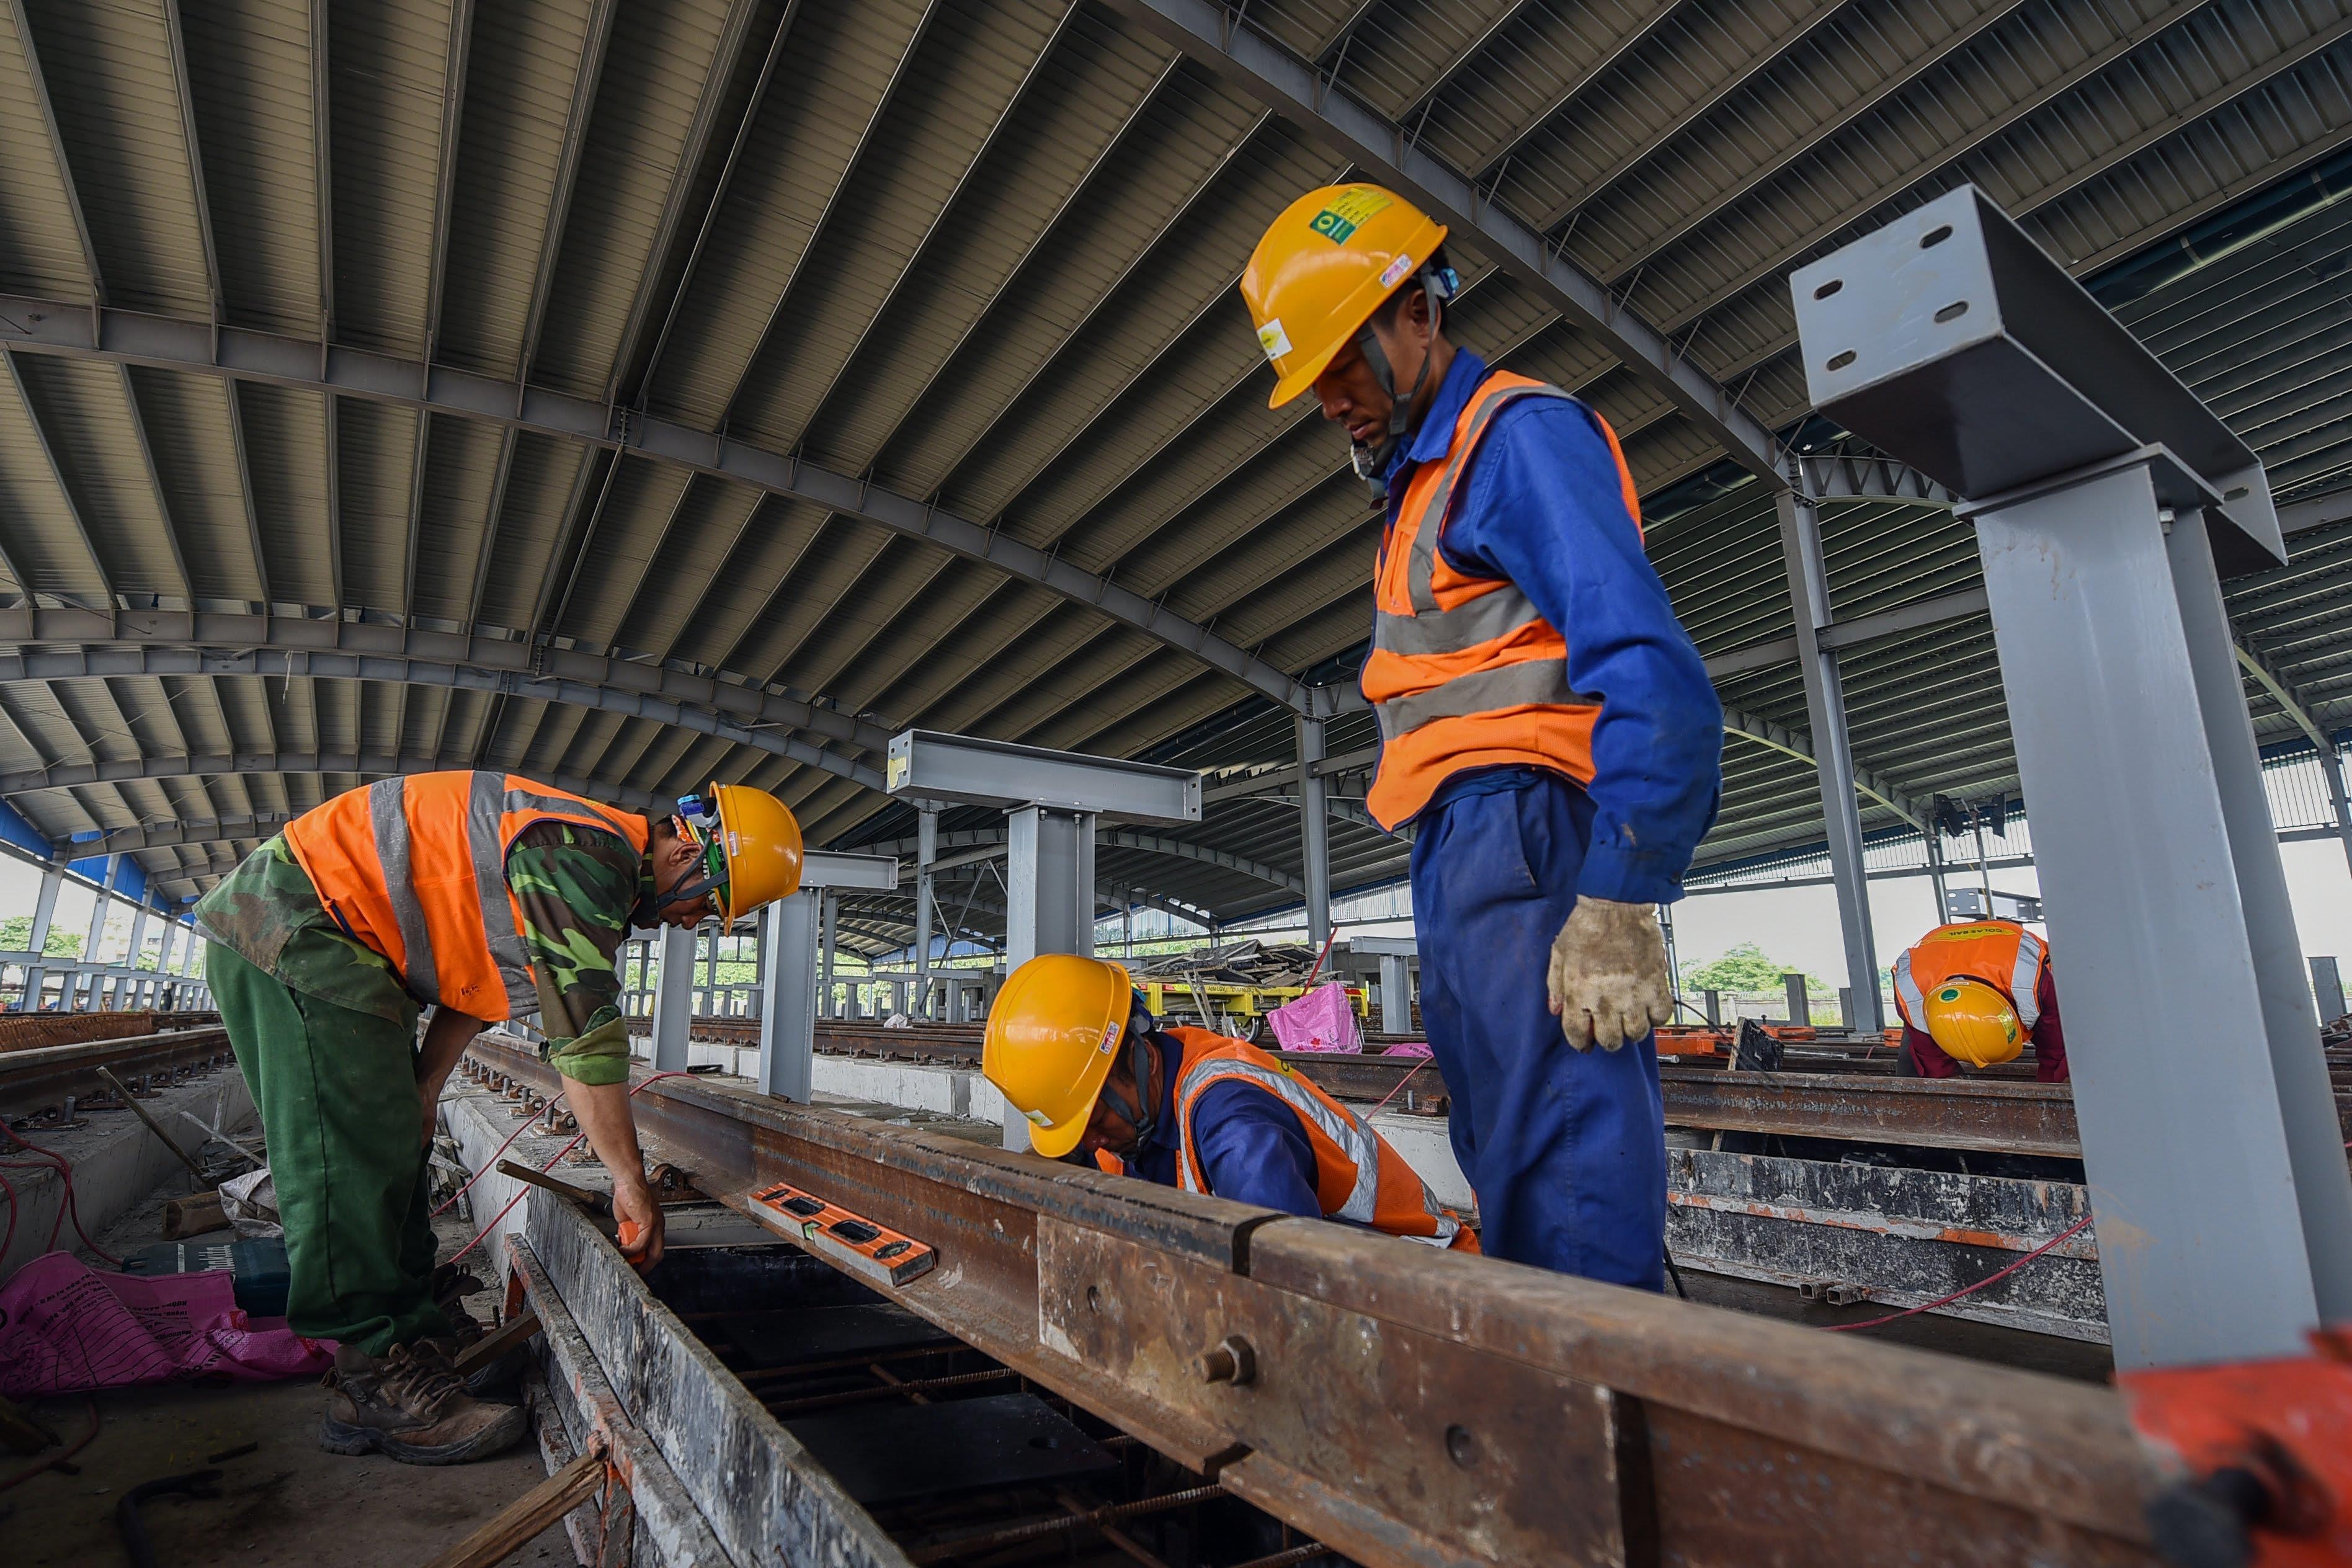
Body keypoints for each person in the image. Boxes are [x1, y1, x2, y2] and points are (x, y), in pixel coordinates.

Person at [1237, 185, 1721, 1287]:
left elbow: (1652, 672)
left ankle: (1597, 1419)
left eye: (1340, 364)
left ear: (1416, 314)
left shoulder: (1516, 440)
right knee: (1510, 1168)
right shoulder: (1426, 484)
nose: (1328, 403)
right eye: (1312, 379)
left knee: (1564, 1182)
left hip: (1533, 835)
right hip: (1469, 853)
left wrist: (1622, 893)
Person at [195, 772, 801, 1463]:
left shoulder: (581, 856)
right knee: (347, 1154)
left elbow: (480, 978)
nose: (694, 920)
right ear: (690, 854)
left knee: (395, 1137)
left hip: (347, 949)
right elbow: (586, 1037)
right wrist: (630, 1179)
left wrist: (426, 1085)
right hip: (297, 926)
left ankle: (417, 1331)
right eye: (708, 903)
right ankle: (370, 1374)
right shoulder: (581, 856)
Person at [983, 955, 1475, 1250]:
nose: (1091, 1141)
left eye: (1091, 1119)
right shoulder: (1133, 1112)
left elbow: (1289, 1275)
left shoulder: (1234, 1126)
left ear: (1139, 1060)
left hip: (1421, 1290)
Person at [1891, 918, 2068, 1083]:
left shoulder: (2035, 983)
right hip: (1934, 960)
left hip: (2012, 951)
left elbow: (2055, 1054)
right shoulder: (1912, 993)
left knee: (2070, 1051)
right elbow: (1933, 1063)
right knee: (1913, 1064)